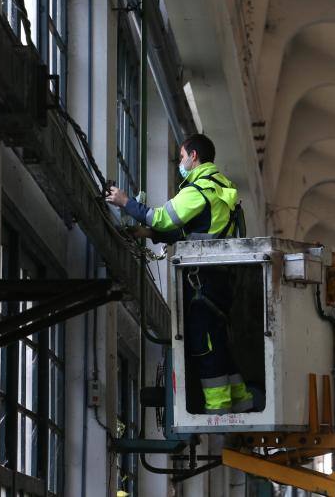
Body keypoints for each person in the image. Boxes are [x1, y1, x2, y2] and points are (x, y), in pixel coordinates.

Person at [105, 134, 252, 414]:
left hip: (203, 279)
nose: (181, 163)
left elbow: (162, 217)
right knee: (218, 339)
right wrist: (147, 233)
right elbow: (192, 232)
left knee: (203, 342)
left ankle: (218, 407)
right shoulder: (222, 188)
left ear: (193, 156)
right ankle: (241, 399)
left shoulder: (199, 189)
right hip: (222, 277)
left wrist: (126, 202)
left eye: (182, 157)